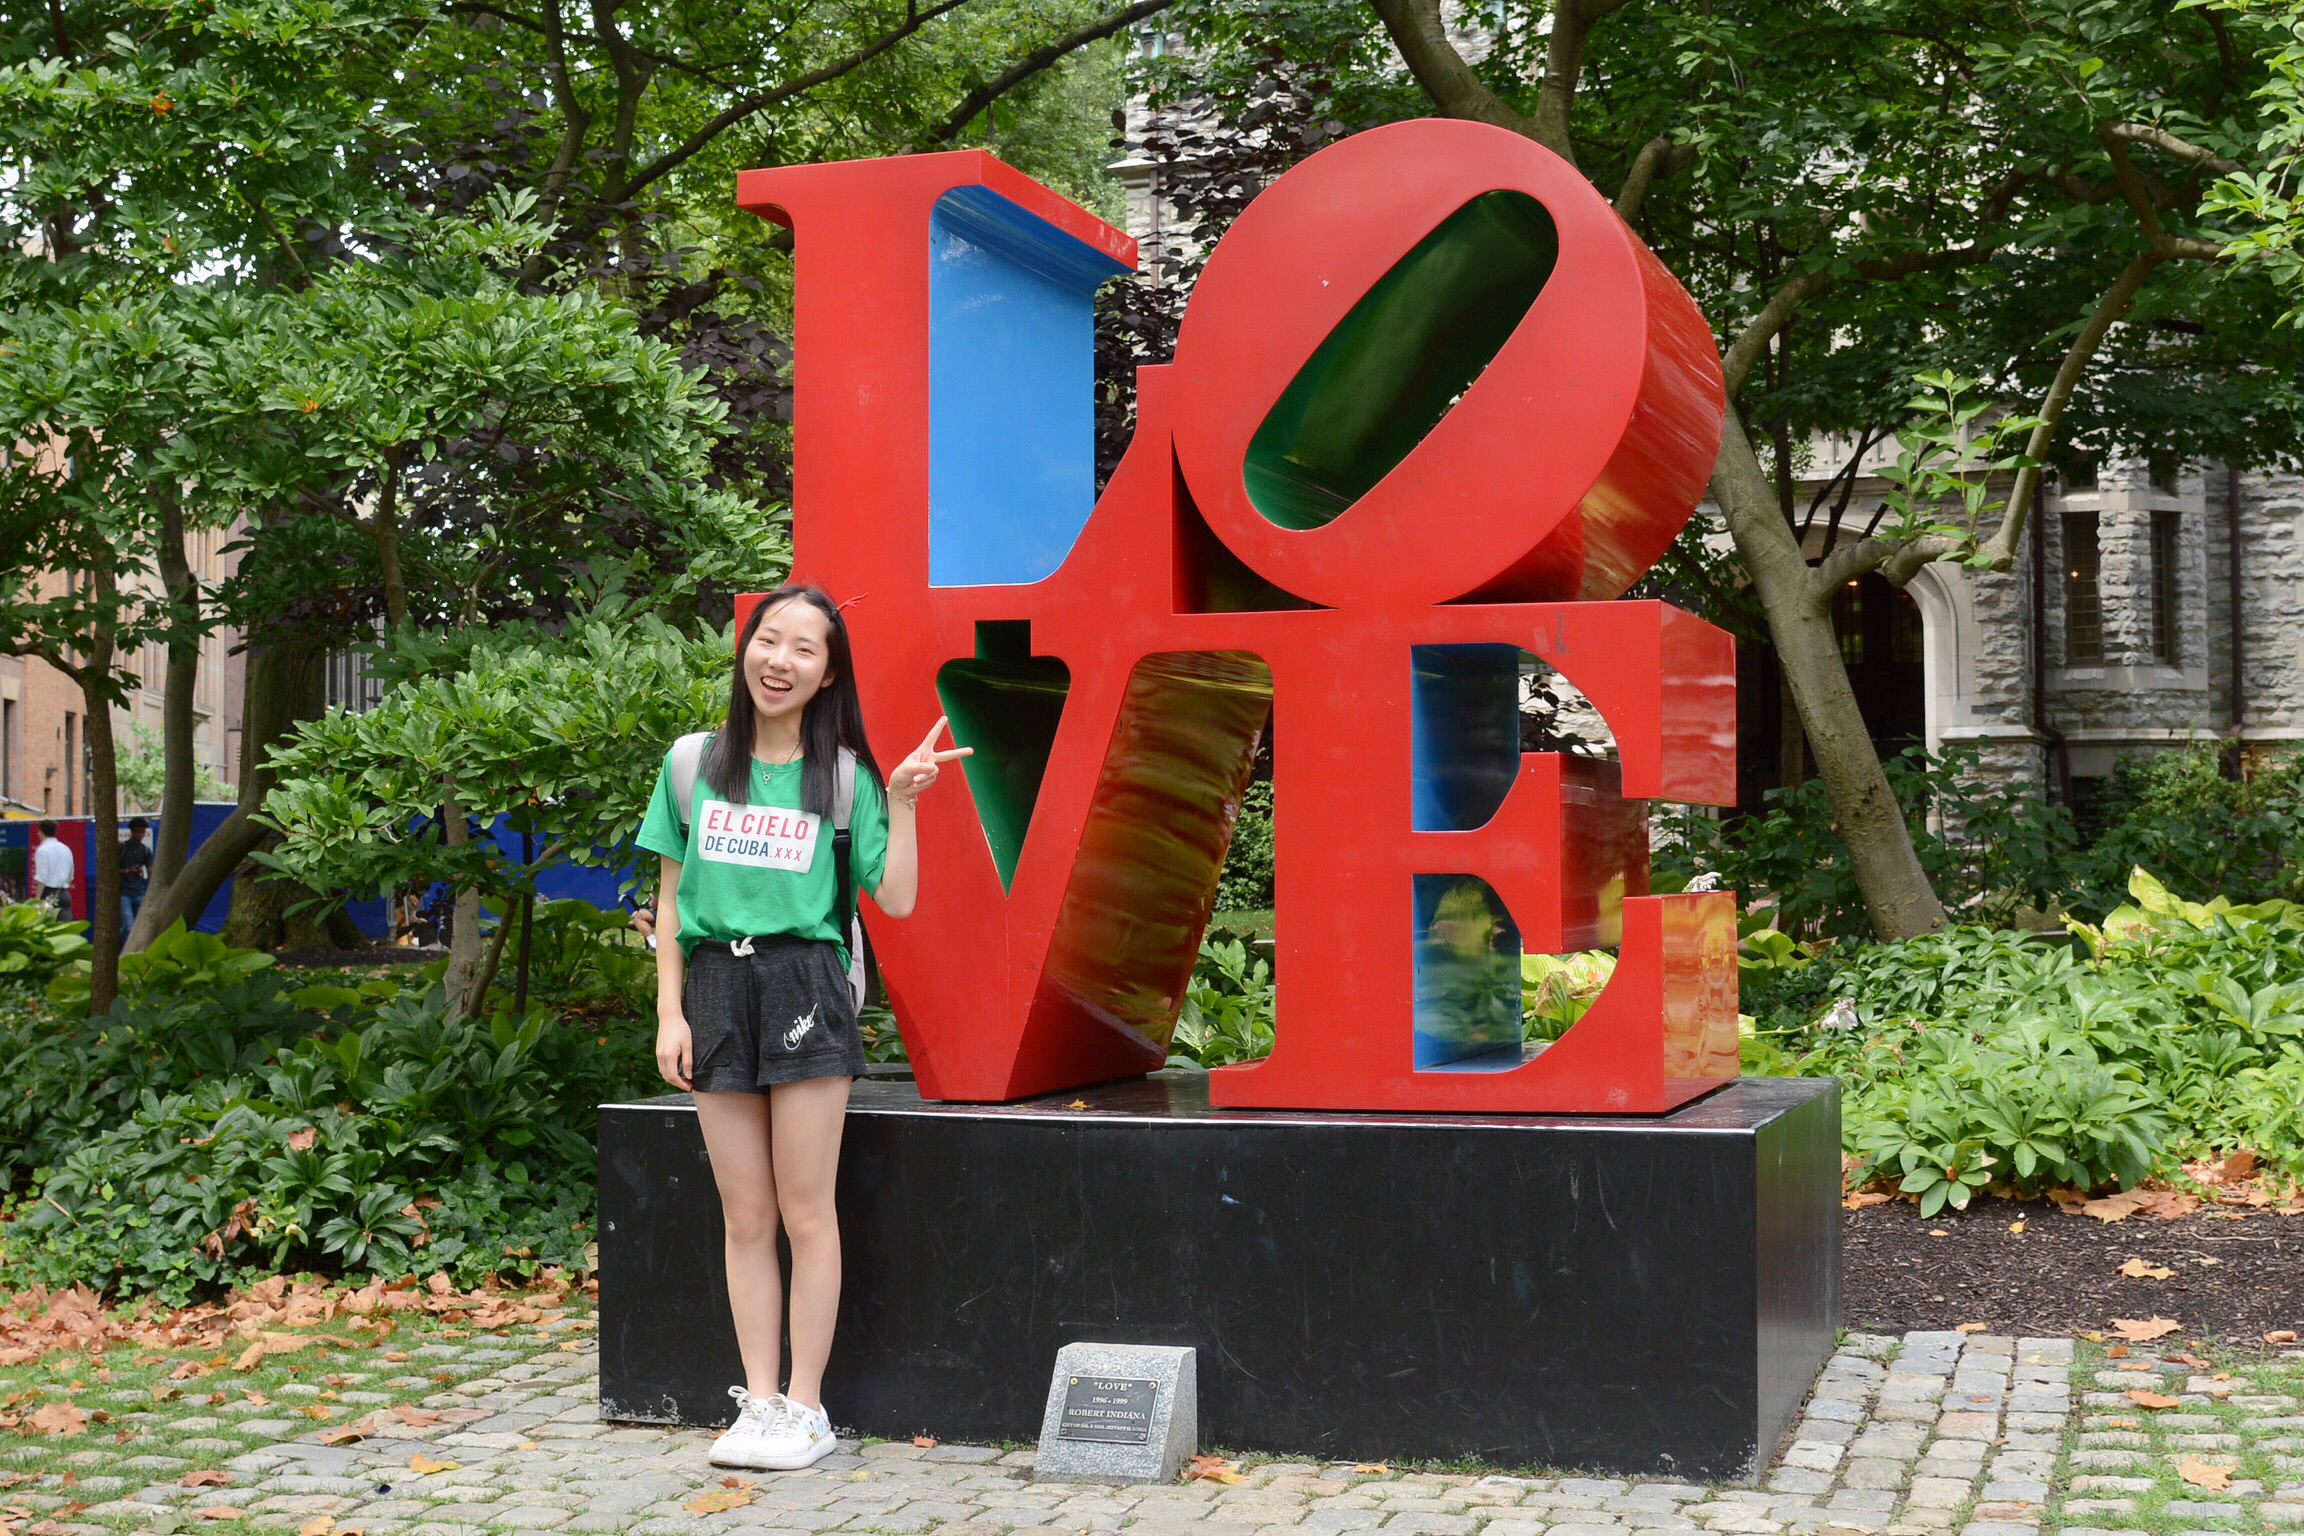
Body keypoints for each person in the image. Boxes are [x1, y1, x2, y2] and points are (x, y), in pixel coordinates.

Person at [636, 583, 968, 1472]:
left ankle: (808, 1407)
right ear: (745, 649)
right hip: (715, 985)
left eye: (804, 649)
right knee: (745, 1214)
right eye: (767, 639)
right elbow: (671, 901)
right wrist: (670, 1013)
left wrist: (903, 802)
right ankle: (760, 1401)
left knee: (805, 1209)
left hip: (805, 986)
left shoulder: (845, 778)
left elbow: (896, 898)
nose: (778, 660)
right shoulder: (691, 764)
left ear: (827, 676)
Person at [31, 821, 73, 920]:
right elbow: (70, 877)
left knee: (47, 926)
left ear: (40, 832)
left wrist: (37, 899)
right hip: (64, 894)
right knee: (65, 927)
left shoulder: (42, 850)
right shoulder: (66, 849)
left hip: (48, 895)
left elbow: (42, 878)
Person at [119, 817, 153, 932]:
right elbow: (111, 871)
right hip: (124, 893)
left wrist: (151, 889)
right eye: (138, 832)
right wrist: (127, 871)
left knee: (140, 928)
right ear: (132, 832)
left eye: (143, 832)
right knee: (129, 927)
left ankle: (122, 942)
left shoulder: (145, 850)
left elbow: (150, 870)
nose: (141, 835)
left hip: (139, 892)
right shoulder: (122, 848)